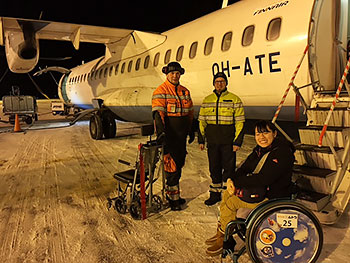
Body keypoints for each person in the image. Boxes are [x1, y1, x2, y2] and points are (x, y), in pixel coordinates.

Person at [205, 120, 295, 256]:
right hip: (262, 191)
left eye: (266, 132)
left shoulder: (282, 153)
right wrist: (232, 179)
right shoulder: (260, 150)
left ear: (275, 134)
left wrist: (237, 183)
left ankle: (225, 239)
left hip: (273, 197)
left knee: (232, 202)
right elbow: (245, 167)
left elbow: (264, 178)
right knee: (227, 194)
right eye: (258, 134)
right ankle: (222, 231)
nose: (262, 137)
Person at [152, 61, 195, 211]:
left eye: (177, 73)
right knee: (171, 167)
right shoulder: (161, 91)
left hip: (181, 137)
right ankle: (172, 199)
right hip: (169, 137)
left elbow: (190, 112)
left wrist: (191, 129)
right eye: (172, 73)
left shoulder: (185, 91)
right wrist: (161, 133)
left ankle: (175, 195)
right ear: (167, 74)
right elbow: (158, 114)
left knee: (180, 164)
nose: (175, 76)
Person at [198, 72, 245, 206]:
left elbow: (240, 122)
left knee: (229, 169)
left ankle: (228, 195)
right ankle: (215, 194)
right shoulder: (207, 100)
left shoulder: (234, 99)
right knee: (214, 168)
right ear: (213, 83)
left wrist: (237, 141)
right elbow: (202, 121)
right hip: (212, 142)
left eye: (222, 81)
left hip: (228, 142)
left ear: (226, 83)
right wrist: (201, 140)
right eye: (217, 81)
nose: (219, 84)